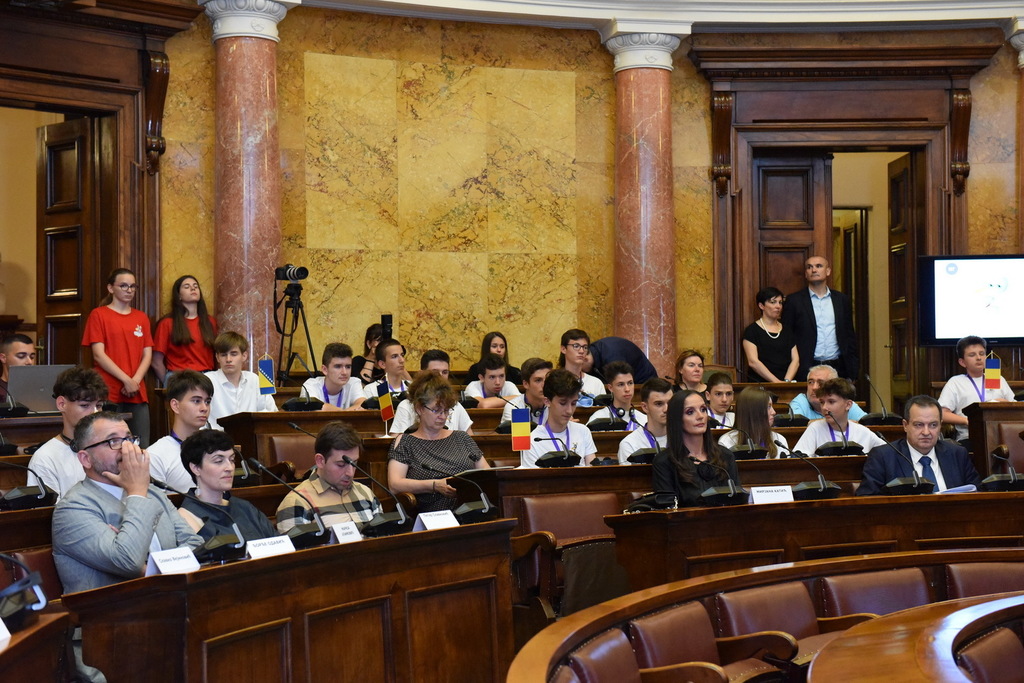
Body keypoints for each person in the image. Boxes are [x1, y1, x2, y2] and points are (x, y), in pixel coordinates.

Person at [52, 411, 203, 594]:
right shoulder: (72, 509)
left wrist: (155, 570)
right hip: (112, 607)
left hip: (170, 597)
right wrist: (137, 492)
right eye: (113, 441)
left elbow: (195, 544)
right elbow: (128, 561)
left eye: (129, 439)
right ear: (86, 459)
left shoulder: (153, 492)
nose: (127, 449)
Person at [387, 372, 490, 511]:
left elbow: (487, 475)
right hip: (433, 512)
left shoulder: (462, 438)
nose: (443, 416)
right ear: (419, 408)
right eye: (436, 410)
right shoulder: (406, 442)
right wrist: (434, 485)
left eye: (446, 411)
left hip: (471, 509)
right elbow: (394, 485)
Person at [81, 268, 153, 446]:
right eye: (124, 286)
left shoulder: (141, 317)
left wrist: (135, 381)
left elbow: (147, 354)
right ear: (110, 288)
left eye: (133, 286)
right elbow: (99, 355)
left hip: (136, 391)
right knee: (107, 443)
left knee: (141, 444)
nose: (129, 290)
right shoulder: (99, 314)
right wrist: (126, 380)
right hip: (108, 389)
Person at [857, 395, 982, 496]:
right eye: (919, 425)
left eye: (933, 425)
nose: (926, 432)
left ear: (940, 425)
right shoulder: (883, 457)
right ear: (905, 425)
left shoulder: (957, 454)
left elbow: (978, 494)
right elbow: (867, 500)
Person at [275, 421, 383, 532]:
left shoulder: (366, 493)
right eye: (341, 465)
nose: (350, 473)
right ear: (320, 461)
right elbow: (297, 543)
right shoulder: (297, 502)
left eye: (354, 463)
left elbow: (383, 538)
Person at [178, 429, 276, 540]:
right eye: (218, 461)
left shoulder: (245, 508)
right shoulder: (186, 518)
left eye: (232, 460)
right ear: (195, 468)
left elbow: (279, 544)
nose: (229, 468)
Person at [26, 367, 107, 499]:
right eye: (85, 405)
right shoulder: (45, 458)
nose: (95, 413)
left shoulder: (110, 449)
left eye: (99, 406)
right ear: (61, 404)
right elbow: (50, 510)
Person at [652, 390, 740, 507]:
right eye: (690, 412)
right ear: (677, 419)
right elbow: (668, 510)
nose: (700, 416)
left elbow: (738, 502)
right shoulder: (664, 462)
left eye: (703, 409)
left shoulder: (725, 456)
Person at [781, 255, 859, 381]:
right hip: (806, 367)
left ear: (828, 271)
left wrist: (853, 370)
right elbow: (787, 336)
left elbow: (849, 335)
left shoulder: (841, 300)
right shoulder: (794, 301)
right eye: (809, 267)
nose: (814, 270)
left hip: (838, 367)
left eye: (818, 266)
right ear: (806, 274)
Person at [938, 335, 1015, 444]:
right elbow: (942, 413)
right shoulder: (955, 382)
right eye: (972, 355)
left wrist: (1004, 402)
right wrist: (969, 421)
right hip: (969, 437)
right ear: (962, 362)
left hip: (1000, 436)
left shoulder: (997, 378)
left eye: (982, 354)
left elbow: (1015, 408)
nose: (979, 358)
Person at [147, 370, 213, 493]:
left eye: (207, 402)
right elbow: (155, 504)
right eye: (196, 401)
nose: (204, 408)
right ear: (175, 405)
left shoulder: (214, 448)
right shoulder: (155, 455)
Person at [520, 368, 597, 468]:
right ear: (547, 401)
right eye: (563, 403)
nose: (569, 410)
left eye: (573, 403)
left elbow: (592, 471)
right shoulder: (533, 440)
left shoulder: (583, 431)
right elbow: (533, 478)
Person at [151, 274, 218, 384]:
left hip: (207, 377)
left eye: (195, 286)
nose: (193, 288)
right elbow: (156, 361)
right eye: (187, 287)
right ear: (179, 295)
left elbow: (217, 356)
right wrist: (170, 383)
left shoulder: (210, 322)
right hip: (179, 377)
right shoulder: (167, 323)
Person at [390, 350, 474, 435]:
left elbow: (470, 437)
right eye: (435, 372)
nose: (440, 377)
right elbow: (397, 439)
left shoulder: (456, 405)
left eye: (445, 372)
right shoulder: (406, 406)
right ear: (422, 374)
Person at [793, 378, 884, 456]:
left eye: (831, 402)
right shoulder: (815, 429)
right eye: (822, 402)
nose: (824, 407)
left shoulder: (862, 432)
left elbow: (887, 452)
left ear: (848, 405)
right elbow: (797, 459)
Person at [205, 331, 277, 430]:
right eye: (223, 355)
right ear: (217, 357)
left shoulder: (254, 379)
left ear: (244, 356)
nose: (228, 359)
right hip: (216, 438)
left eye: (234, 354)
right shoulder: (208, 380)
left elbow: (270, 412)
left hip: (250, 437)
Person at [742, 286, 799, 383]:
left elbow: (795, 360)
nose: (778, 306)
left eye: (780, 302)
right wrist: (776, 382)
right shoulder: (752, 331)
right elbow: (753, 362)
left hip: (785, 384)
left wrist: (786, 382)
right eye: (773, 302)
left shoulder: (787, 330)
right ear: (761, 306)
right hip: (760, 386)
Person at [718, 387, 791, 458]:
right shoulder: (727, 442)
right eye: (768, 407)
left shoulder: (779, 440)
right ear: (754, 412)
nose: (774, 412)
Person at [618, 378, 672, 464]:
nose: (666, 409)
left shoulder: (685, 438)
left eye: (670, 403)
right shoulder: (629, 444)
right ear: (645, 407)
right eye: (659, 404)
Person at [788, 364, 867, 421]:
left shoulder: (843, 402)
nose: (814, 387)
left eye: (821, 383)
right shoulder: (800, 402)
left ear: (834, 386)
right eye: (811, 382)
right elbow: (796, 425)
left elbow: (866, 422)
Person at [301, 342, 365, 410]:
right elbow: (314, 407)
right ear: (325, 370)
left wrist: (343, 413)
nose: (344, 372)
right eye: (338, 366)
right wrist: (345, 413)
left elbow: (363, 405)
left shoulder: (353, 383)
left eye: (348, 367)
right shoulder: (311, 385)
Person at [587, 361, 646, 430]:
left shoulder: (644, 420)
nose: (627, 389)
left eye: (630, 383)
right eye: (621, 384)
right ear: (610, 388)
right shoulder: (598, 419)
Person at [500, 357, 552, 426]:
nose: (544, 385)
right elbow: (517, 433)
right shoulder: (514, 408)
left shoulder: (555, 405)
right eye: (538, 380)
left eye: (547, 379)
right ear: (526, 384)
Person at [586, 336, 658, 384]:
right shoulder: (595, 351)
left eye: (581, 368)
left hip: (644, 382)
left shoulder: (611, 357)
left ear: (586, 359)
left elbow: (619, 383)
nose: (582, 372)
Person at [557, 328, 605, 400]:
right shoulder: (554, 380)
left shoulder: (596, 383)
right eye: (576, 346)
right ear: (563, 349)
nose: (582, 351)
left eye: (585, 347)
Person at [0, 332, 36, 403]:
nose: (29, 362)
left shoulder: (38, 388)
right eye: (21, 356)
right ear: (3, 358)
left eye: (32, 357)